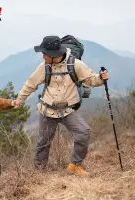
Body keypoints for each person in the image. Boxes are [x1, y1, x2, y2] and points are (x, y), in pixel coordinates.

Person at [15, 36, 110, 175]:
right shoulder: (44, 66)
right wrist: (20, 99)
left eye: (45, 53)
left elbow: (91, 80)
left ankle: (74, 166)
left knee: (83, 133)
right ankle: (40, 172)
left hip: (68, 110)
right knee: (43, 142)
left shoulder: (75, 64)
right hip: (47, 110)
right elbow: (31, 83)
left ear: (54, 55)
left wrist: (102, 78)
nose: (43, 56)